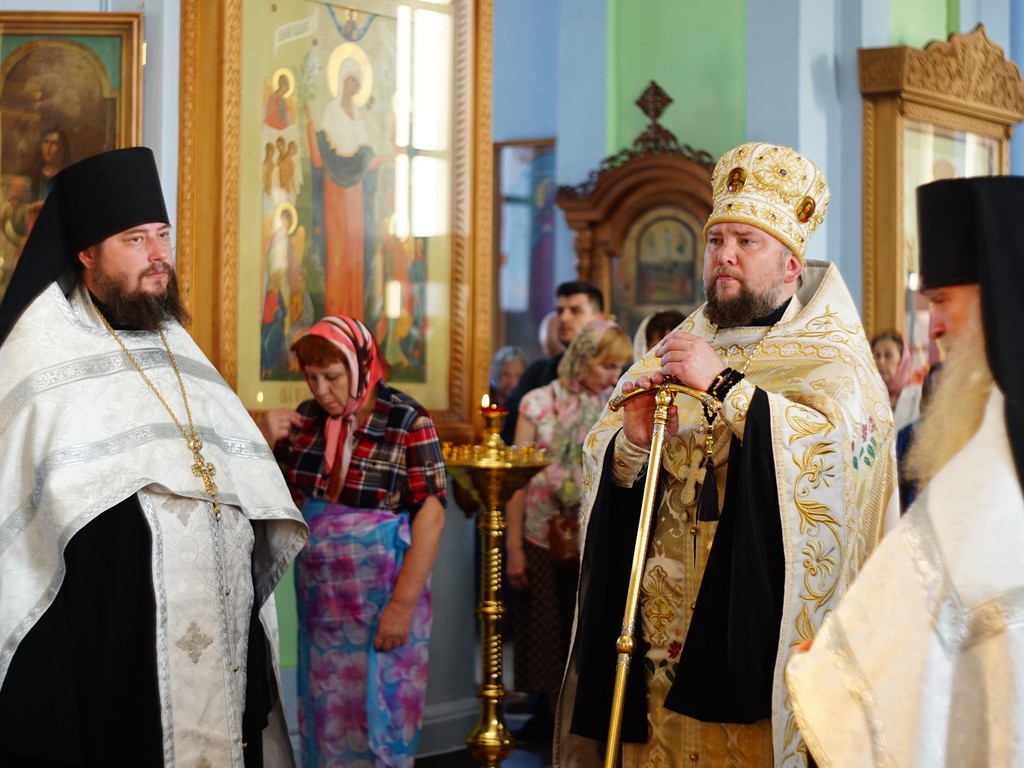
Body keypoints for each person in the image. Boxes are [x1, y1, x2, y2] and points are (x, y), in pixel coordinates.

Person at [557, 142, 898, 767]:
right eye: (716, 240)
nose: (725, 255)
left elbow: (835, 464)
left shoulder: (835, 363)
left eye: (746, 241)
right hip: (659, 643)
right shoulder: (674, 348)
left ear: (791, 265)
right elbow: (606, 460)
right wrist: (631, 443)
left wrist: (726, 389)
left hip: (758, 643)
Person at [0, 147, 308, 766]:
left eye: (162, 235)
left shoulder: (181, 353)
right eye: (135, 239)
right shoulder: (35, 359)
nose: (158, 254)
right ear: (87, 254)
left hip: (217, 645)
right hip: (113, 657)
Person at [786, 175, 1024, 767]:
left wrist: (832, 667)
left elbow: (937, 588)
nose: (933, 326)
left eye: (942, 300)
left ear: (999, 293)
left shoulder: (1001, 449)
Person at [254, 315, 447, 768]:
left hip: (384, 603)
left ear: (362, 367)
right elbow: (275, 503)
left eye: (332, 377)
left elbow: (431, 518)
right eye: (312, 378)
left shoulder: (408, 420)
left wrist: (401, 608)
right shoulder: (306, 421)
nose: (321, 391)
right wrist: (262, 442)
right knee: (328, 716)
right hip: (323, 614)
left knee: (383, 715)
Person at [505, 319, 632, 743]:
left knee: (591, 643)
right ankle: (555, 739)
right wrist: (514, 548)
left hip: (594, 539)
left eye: (618, 368)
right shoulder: (537, 403)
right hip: (541, 538)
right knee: (547, 644)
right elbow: (518, 480)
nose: (613, 377)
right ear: (581, 359)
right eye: (606, 366)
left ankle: (586, 742)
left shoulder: (614, 405)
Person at [501, 280, 605, 443]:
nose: (563, 318)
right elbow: (509, 431)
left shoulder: (618, 376)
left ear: (598, 319)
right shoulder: (537, 372)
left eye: (575, 311)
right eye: (560, 311)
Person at [871, 328, 922, 431]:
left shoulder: (918, 395)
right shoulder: (866, 395)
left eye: (888, 355)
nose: (881, 361)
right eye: (877, 356)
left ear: (902, 360)